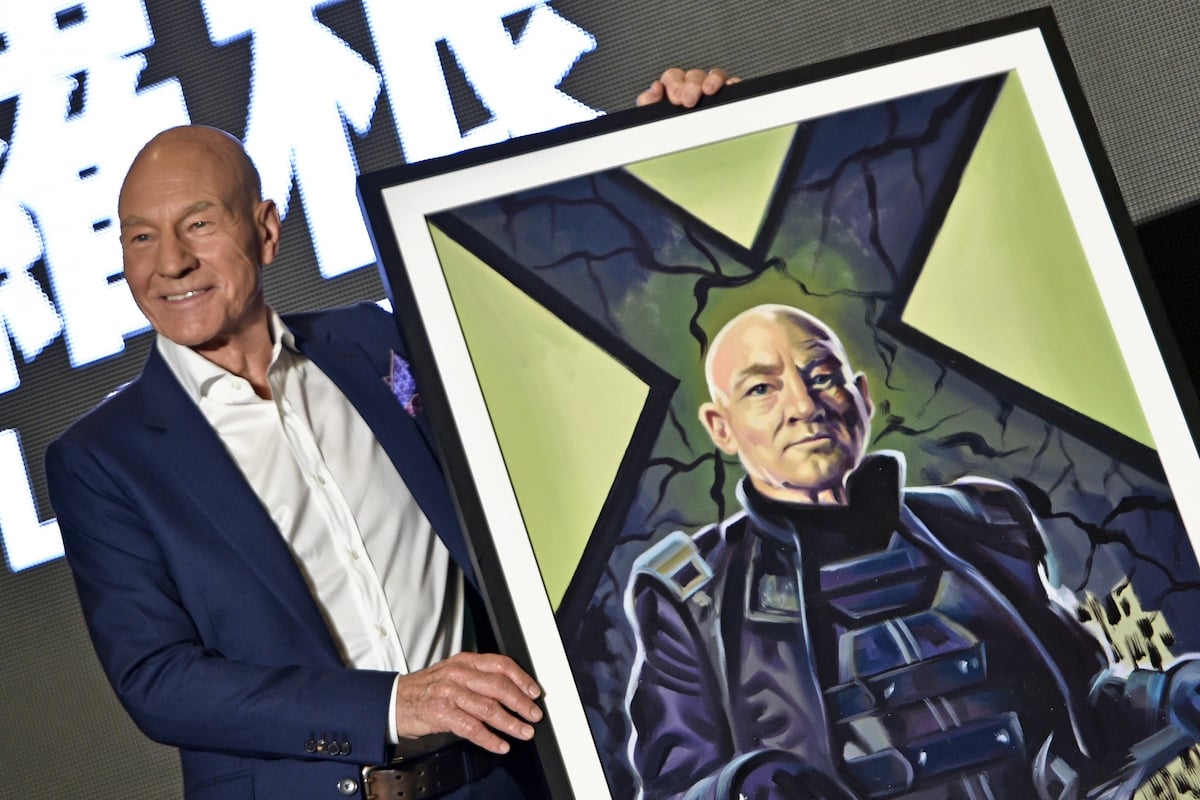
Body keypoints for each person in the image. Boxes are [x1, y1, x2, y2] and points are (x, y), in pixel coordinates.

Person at [44, 68, 734, 800]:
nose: (170, 263)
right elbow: (159, 680)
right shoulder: (104, 459)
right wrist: (389, 706)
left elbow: (563, 317)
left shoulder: (373, 344)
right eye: (141, 237)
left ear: (266, 231)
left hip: (500, 780)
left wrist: (667, 141)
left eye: (199, 225)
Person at [624, 303, 1200, 800]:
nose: (803, 405)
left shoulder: (981, 523)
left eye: (822, 376)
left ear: (861, 397)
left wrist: (1167, 697)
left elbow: (1084, 708)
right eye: (761, 389)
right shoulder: (693, 599)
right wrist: (739, 787)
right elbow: (678, 787)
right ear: (721, 427)